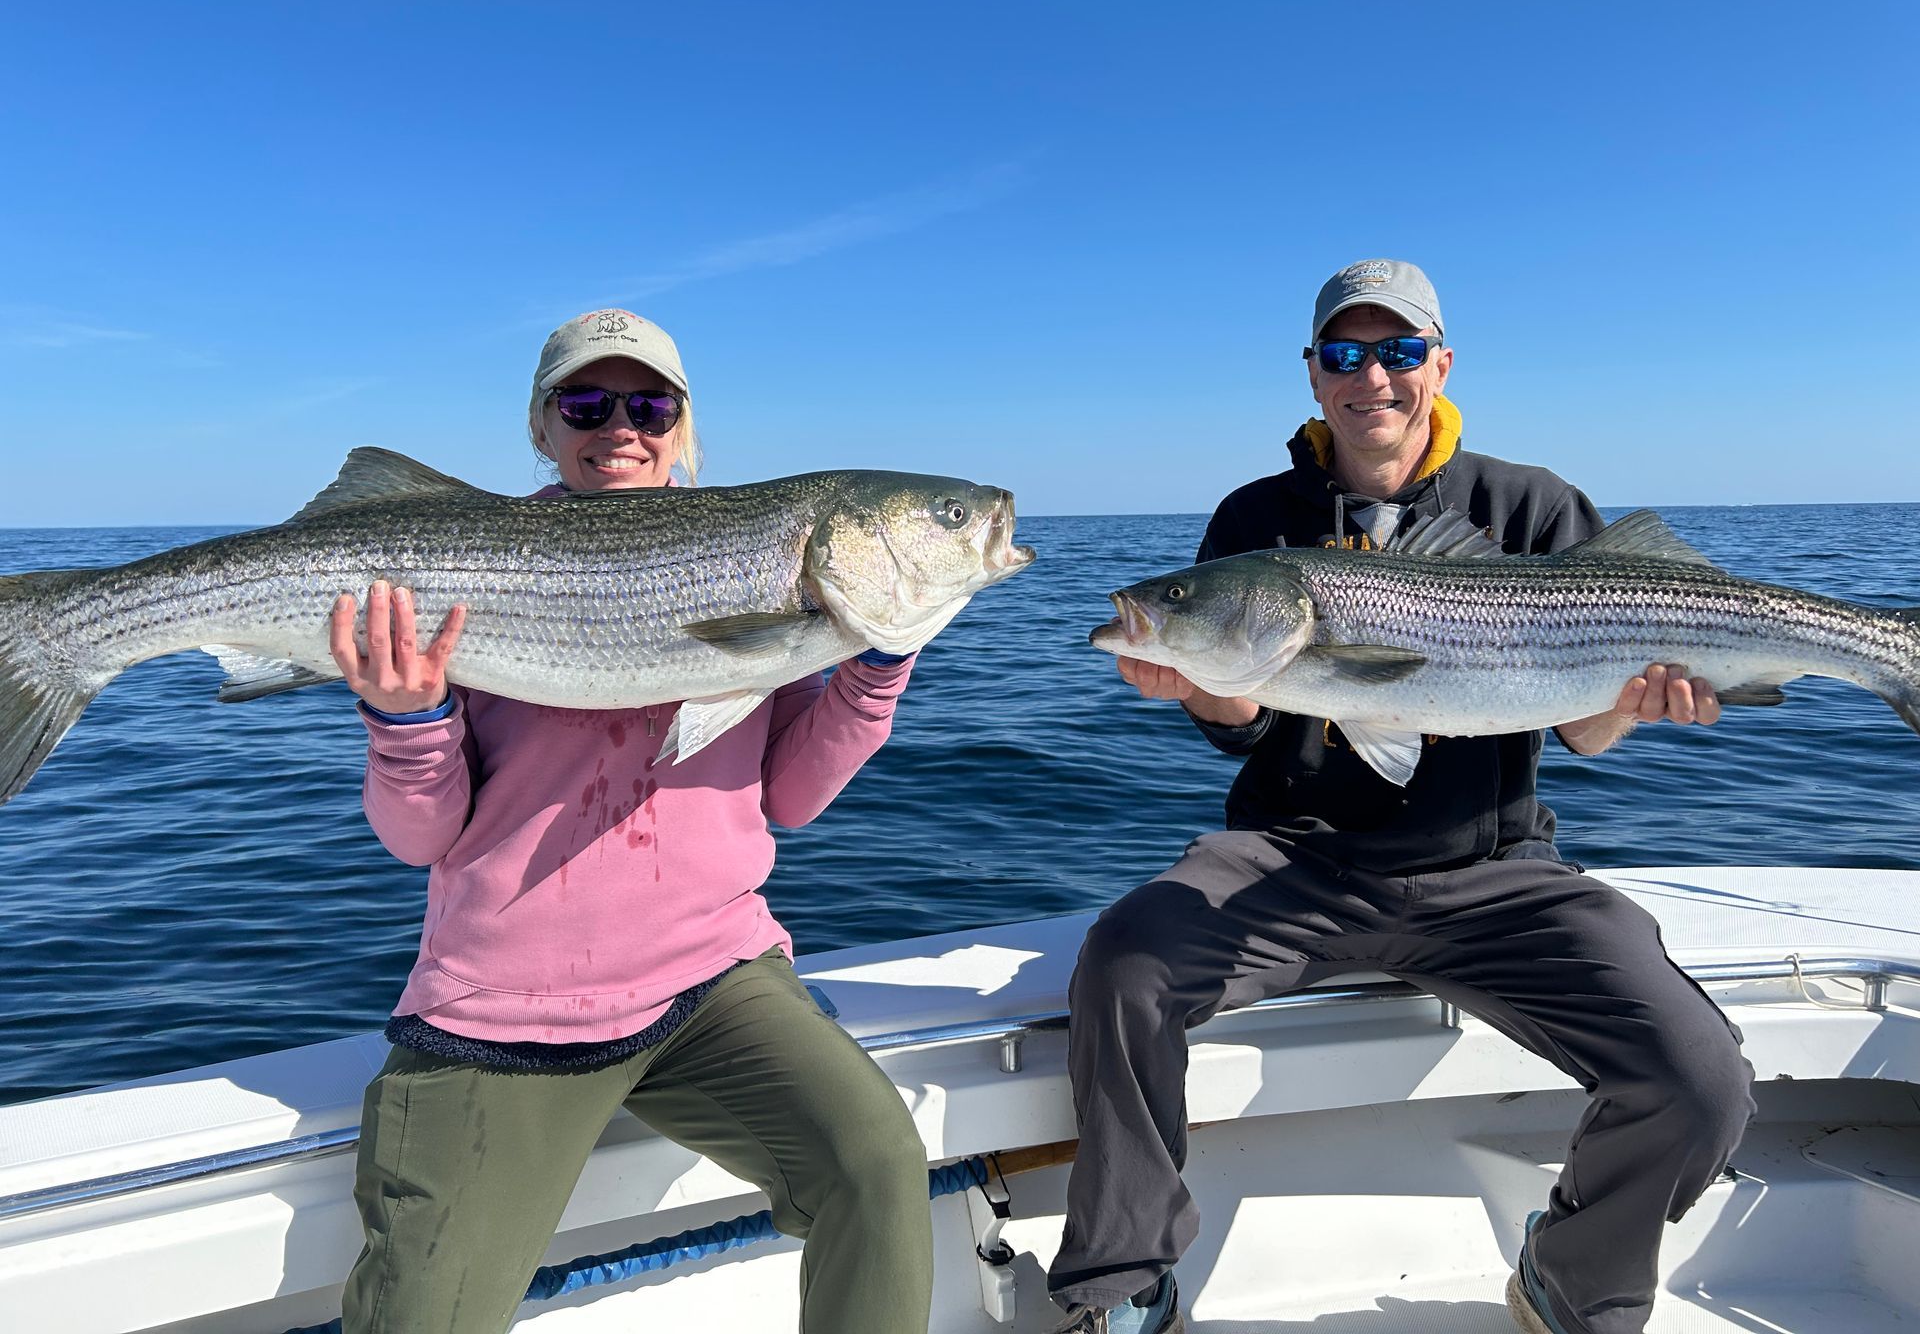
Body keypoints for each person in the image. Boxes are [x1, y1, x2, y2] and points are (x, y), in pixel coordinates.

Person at [1045, 261, 1757, 1334]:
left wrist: (1641, 703)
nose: (1370, 376)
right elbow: (1235, 719)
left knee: (1702, 1078)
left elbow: (1583, 727)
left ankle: (1571, 1269)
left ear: (1440, 364)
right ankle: (1123, 1278)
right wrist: (1202, 675)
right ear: (1314, 374)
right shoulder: (1257, 518)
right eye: (1343, 354)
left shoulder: (1532, 506)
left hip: (1497, 875)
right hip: (1294, 865)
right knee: (1124, 963)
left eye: (1397, 352)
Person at [329, 309, 933, 1334]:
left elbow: (789, 798)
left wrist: (876, 665)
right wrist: (409, 719)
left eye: (649, 404)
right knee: (420, 1316)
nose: (621, 426)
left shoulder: (763, 558)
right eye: (586, 403)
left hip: (713, 981)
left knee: (878, 1164)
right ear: (542, 427)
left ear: (684, 427)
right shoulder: (466, 555)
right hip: (504, 1013)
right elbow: (419, 838)